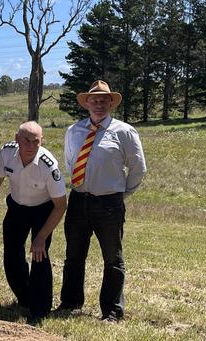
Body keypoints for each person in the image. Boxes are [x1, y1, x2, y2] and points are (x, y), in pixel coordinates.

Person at [58, 80, 146, 322]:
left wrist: (119, 193)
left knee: (112, 258)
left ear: (110, 103)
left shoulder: (124, 132)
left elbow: (138, 168)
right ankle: (70, 301)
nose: (98, 104)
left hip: (109, 204)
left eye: (103, 100)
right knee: (74, 255)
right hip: (78, 200)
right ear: (86, 103)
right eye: (93, 100)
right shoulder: (74, 131)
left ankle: (112, 310)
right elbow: (69, 163)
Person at [0, 122, 67, 324]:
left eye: (36, 141)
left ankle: (40, 310)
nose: (31, 145)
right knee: (11, 257)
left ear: (42, 141)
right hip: (17, 208)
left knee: (39, 255)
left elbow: (61, 205)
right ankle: (25, 298)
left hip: (43, 210)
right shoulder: (7, 153)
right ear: (17, 138)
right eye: (26, 140)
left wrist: (41, 237)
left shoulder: (48, 165)